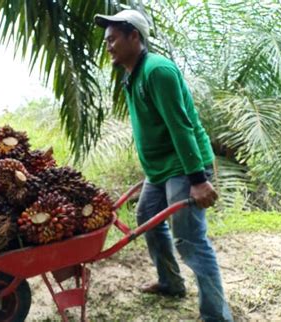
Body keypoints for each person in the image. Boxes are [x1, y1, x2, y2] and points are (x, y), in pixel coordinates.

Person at [94, 9, 233, 322]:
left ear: (135, 36)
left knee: (191, 241)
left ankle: (217, 316)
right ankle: (171, 282)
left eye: (113, 38)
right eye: (106, 40)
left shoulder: (158, 71)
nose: (108, 45)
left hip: (185, 166)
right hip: (160, 171)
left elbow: (180, 127)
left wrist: (198, 179)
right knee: (147, 216)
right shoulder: (132, 75)